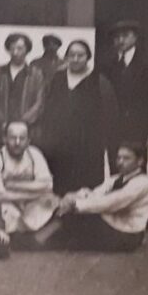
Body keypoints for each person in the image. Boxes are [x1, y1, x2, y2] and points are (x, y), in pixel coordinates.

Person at [40, 40, 119, 195]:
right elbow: (48, 111)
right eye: (71, 55)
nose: (75, 59)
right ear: (66, 57)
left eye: (80, 55)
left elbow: (110, 117)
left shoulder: (99, 82)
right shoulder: (58, 79)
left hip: (88, 146)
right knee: (61, 184)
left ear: (88, 57)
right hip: (61, 145)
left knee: (86, 187)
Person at [56, 142, 148, 252]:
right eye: (118, 158)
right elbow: (96, 193)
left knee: (72, 222)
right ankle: (52, 238)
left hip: (128, 234)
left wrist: (75, 204)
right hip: (113, 225)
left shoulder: (142, 183)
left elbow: (111, 203)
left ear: (140, 161)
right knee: (69, 219)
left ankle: (53, 239)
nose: (120, 162)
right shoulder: (116, 179)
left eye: (126, 158)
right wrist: (75, 196)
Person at [0, 122, 58, 247]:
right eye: (13, 138)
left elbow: (47, 185)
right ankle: (21, 239)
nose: (17, 142)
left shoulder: (34, 154)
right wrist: (33, 194)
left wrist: (12, 185)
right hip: (7, 205)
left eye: (22, 138)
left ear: (28, 140)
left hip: (29, 204)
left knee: (51, 203)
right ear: (4, 139)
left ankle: (29, 237)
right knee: (0, 211)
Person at [105, 20, 148, 156]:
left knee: (136, 170)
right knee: (116, 169)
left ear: (135, 37)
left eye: (125, 36)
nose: (121, 40)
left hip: (139, 130)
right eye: (117, 37)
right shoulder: (108, 65)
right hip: (114, 131)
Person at [0, 33, 45, 148]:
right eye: (12, 48)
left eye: (20, 48)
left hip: (27, 128)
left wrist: (24, 122)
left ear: (27, 50)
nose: (15, 52)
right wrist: (2, 121)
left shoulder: (36, 74)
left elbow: (39, 102)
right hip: (1, 127)